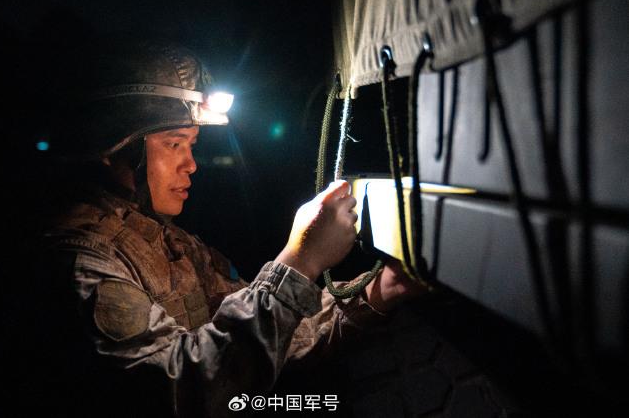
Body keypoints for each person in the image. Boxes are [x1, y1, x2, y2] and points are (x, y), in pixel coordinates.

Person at [41, 38, 423, 417]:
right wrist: (300, 261)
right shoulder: (81, 259)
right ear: (116, 148)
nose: (191, 164)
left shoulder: (168, 241)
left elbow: (268, 338)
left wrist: (382, 288)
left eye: (192, 145)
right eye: (174, 144)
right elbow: (187, 389)